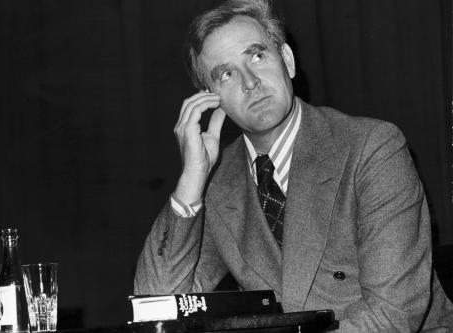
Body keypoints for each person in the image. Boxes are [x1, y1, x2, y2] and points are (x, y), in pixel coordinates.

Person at [134, 0, 453, 331]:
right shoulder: (219, 183)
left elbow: (394, 313)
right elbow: (155, 306)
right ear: (211, 98)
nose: (249, 82)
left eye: (257, 56)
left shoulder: (371, 147)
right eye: (226, 74)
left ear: (286, 60)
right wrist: (191, 181)